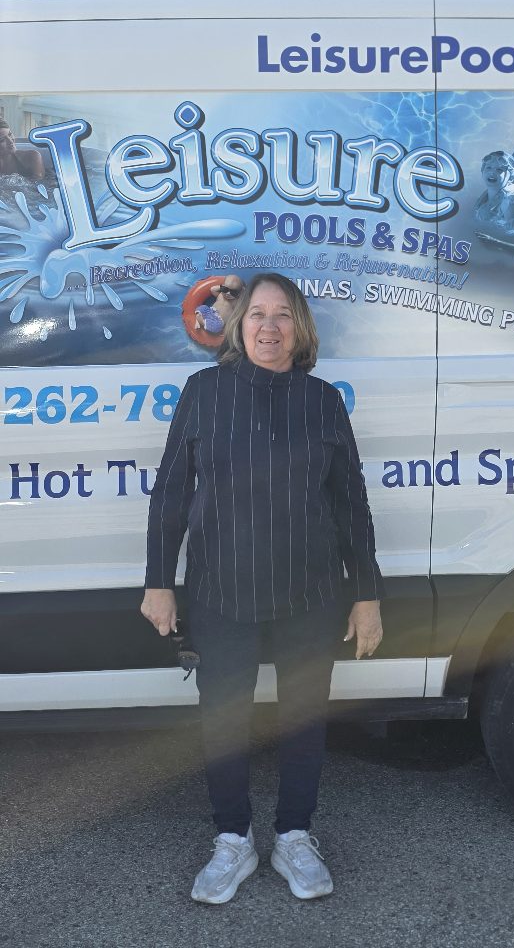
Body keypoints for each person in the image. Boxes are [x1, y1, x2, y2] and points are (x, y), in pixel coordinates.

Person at [141, 272, 384, 904]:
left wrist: (366, 594)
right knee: (224, 720)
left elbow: (351, 504)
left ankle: (294, 836)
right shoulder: (203, 393)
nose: (269, 327)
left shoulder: (323, 401)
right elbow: (171, 494)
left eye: (282, 315)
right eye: (256, 314)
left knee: (304, 719)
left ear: (299, 329)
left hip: (311, 590)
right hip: (222, 589)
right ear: (238, 325)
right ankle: (233, 840)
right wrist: (158, 582)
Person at [473, 151, 514, 224]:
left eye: (499, 169)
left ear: (511, 177)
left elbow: (512, 229)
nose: (492, 172)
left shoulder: (510, 202)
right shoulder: (484, 198)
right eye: (488, 167)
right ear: (482, 171)